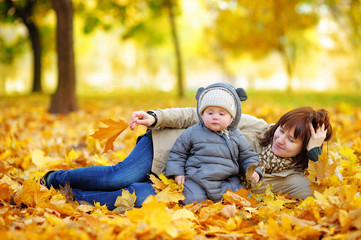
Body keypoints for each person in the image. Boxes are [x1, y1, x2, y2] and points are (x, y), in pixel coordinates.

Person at [13, 83, 331, 210]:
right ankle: (51, 179)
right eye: (283, 129)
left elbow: (322, 190)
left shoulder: (292, 180)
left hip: (185, 184)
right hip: (167, 147)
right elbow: (197, 114)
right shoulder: (256, 126)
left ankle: (68, 195)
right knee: (117, 178)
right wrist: (155, 118)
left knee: (135, 198)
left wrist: (318, 150)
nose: (280, 138)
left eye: (292, 139)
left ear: (305, 149)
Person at [165, 83, 262, 204]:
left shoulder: (235, 135)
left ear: (231, 117)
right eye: (210, 113)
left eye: (222, 114)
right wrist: (177, 172)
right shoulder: (193, 132)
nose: (215, 117)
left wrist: (253, 170)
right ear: (202, 114)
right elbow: (178, 152)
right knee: (193, 199)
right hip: (197, 179)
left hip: (227, 180)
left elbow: (248, 155)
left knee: (243, 200)